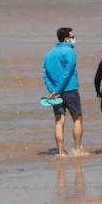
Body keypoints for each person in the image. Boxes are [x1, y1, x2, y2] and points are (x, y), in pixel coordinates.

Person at [43, 26, 83, 157]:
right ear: (66, 39)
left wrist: (53, 90)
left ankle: (60, 152)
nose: (73, 39)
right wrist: (58, 89)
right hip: (70, 90)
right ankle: (77, 149)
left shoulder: (48, 55)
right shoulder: (70, 52)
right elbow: (68, 71)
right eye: (72, 36)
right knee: (77, 118)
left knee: (59, 121)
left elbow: (45, 75)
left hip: (55, 93)